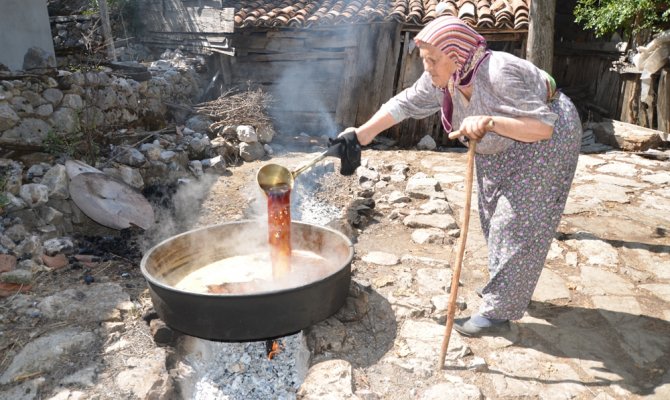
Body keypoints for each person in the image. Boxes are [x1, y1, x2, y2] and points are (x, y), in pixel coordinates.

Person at [329, 16, 582, 336]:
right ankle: (510, 289)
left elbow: (542, 127)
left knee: (517, 221)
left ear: (457, 54)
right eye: (425, 61)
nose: (429, 67)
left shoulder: (498, 72)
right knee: (493, 220)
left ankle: (498, 313)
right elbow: (403, 104)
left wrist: (490, 122)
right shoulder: (443, 81)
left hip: (545, 141)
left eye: (434, 60)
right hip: (498, 147)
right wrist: (359, 135)